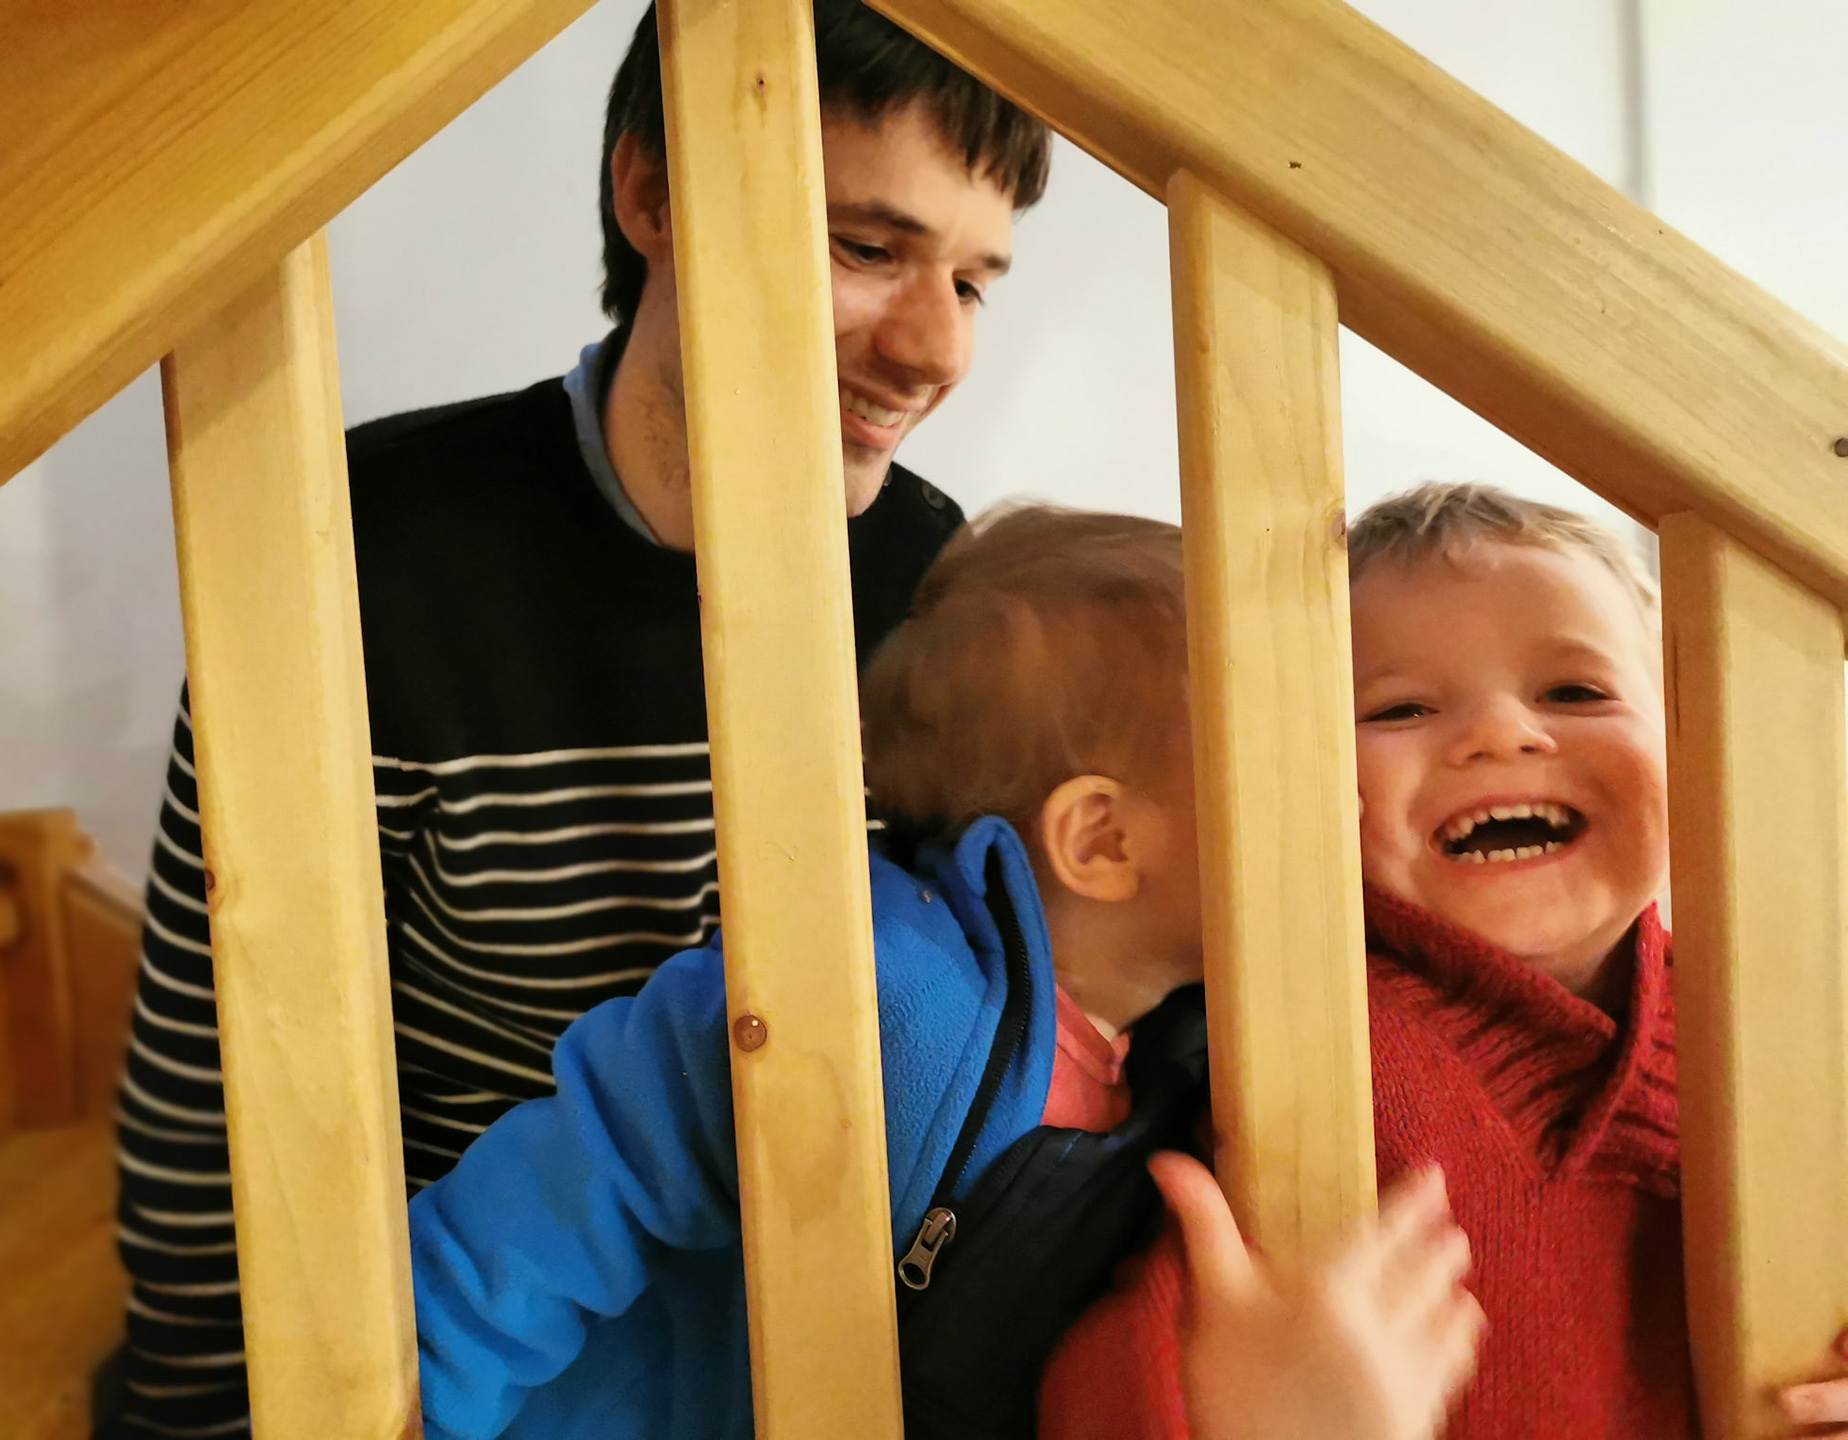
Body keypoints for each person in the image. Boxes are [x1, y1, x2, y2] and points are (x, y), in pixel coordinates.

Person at [102, 5, 1051, 1434]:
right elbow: (215, 1083)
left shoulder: (931, 582)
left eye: (974, 282)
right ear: (651, 194)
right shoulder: (363, 550)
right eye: (867, 247)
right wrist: (205, 1418)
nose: (938, 349)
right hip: (445, 1356)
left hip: (788, 1362)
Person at [408, 505, 1481, 1440]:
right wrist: (413, 1405)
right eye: (1290, 764)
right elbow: (552, 1210)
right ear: (1103, 841)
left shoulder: (1176, 1052)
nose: (1348, 792)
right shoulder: (865, 999)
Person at [1038, 482, 1848, 1439]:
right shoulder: (1315, 1032)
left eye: (1576, 692)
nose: (1500, 733)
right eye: (1401, 708)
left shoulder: (1785, 1029)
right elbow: (1113, 1361)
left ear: (1690, 739)